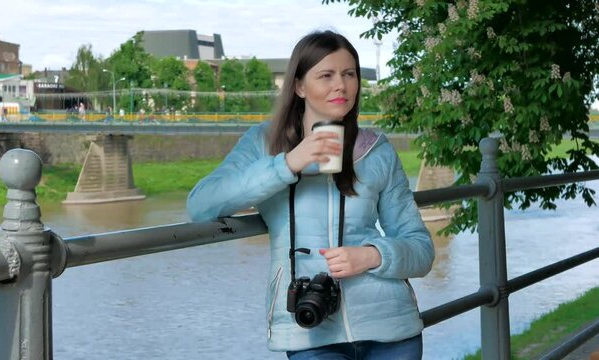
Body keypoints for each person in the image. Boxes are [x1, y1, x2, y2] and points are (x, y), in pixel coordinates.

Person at [186, 30, 434, 359]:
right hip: (310, 331)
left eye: (349, 74)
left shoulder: (375, 149)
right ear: (300, 86)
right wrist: (288, 163)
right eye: (326, 75)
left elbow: (421, 247)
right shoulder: (264, 143)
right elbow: (201, 205)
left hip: (391, 329)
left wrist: (373, 255)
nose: (341, 86)